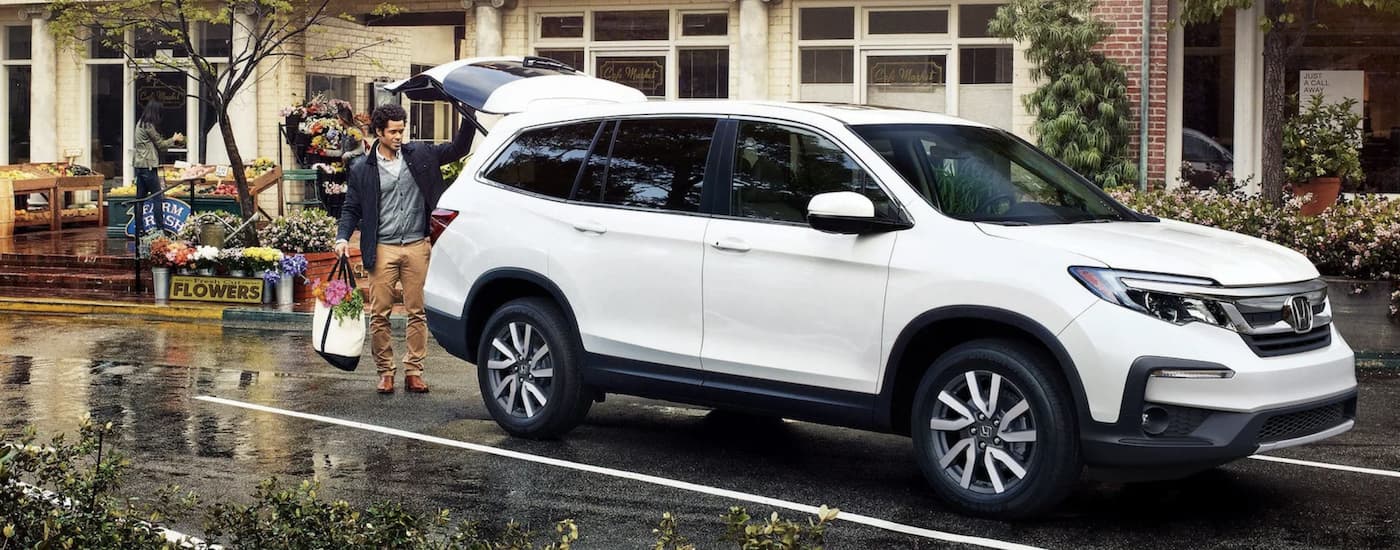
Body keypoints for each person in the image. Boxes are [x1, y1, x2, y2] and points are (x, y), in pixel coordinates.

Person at [334, 103, 475, 394]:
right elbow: (351, 208)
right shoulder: (362, 168)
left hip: (416, 245)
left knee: (417, 311)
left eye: (402, 130)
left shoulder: (421, 155)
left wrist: (469, 115)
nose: (399, 136)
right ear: (378, 133)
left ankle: (414, 371)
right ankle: (385, 371)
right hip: (383, 247)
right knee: (380, 314)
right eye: (393, 132)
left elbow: (459, 148)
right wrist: (342, 238)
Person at [132, 100, 184, 235]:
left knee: (140, 199)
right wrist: (174, 139)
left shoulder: (140, 123)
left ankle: (139, 229)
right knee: (157, 197)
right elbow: (160, 144)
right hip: (148, 166)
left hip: (139, 165)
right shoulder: (148, 126)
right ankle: (160, 229)